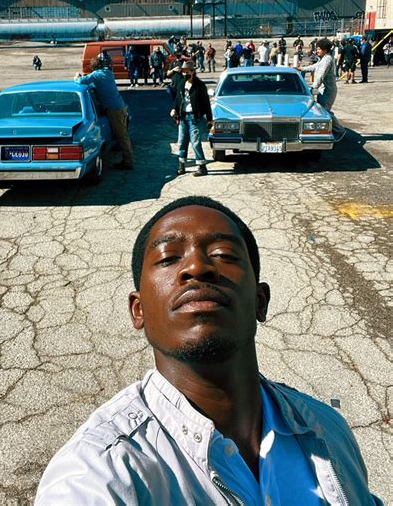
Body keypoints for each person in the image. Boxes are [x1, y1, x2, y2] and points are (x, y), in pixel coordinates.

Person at [35, 195, 382, 506]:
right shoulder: (100, 471)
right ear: (138, 310)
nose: (197, 268)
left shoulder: (327, 430)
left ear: (260, 302)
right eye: (169, 257)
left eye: (223, 255)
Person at [75, 56, 133, 170]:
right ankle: (127, 158)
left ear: (94, 66)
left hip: (114, 109)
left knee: (121, 136)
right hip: (119, 106)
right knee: (122, 134)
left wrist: (77, 76)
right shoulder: (108, 73)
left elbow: (80, 81)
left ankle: (128, 162)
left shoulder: (96, 75)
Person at [297, 38, 346, 141]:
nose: (317, 51)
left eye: (319, 49)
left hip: (328, 91)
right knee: (324, 111)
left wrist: (313, 88)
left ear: (325, 50)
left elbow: (320, 75)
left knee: (325, 112)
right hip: (323, 90)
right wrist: (302, 68)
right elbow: (315, 67)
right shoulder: (323, 59)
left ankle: (340, 131)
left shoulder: (327, 60)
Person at [170, 60, 212, 177]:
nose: (184, 74)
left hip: (195, 117)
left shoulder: (200, 85)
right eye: (183, 72)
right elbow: (178, 99)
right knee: (182, 142)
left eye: (187, 72)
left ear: (193, 72)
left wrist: (209, 119)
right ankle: (181, 165)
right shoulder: (181, 83)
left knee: (195, 142)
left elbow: (206, 103)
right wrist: (174, 109)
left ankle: (202, 167)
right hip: (183, 116)